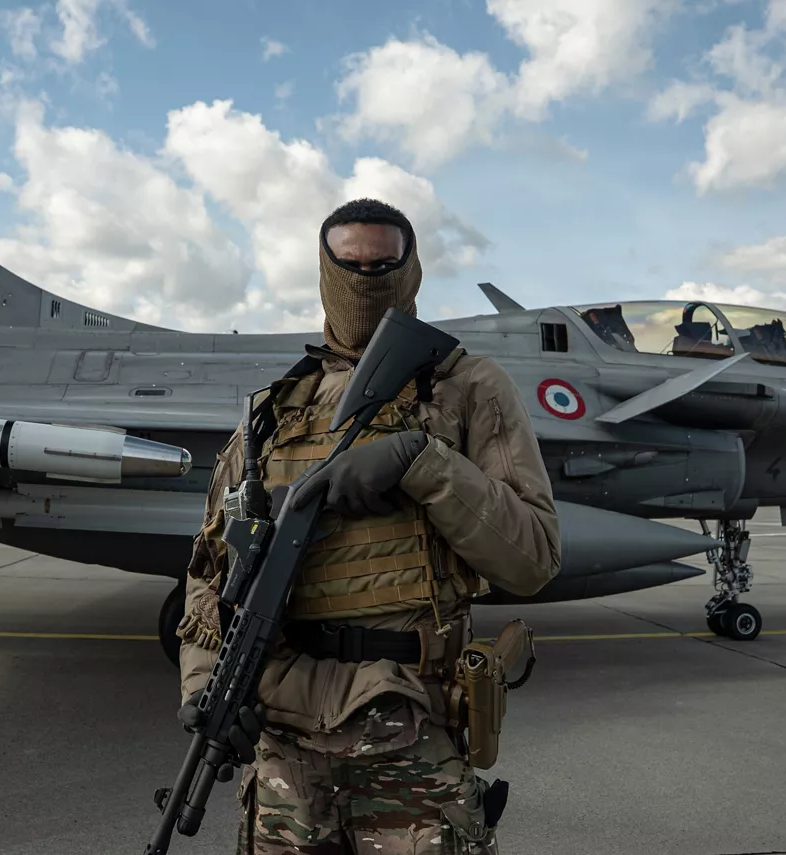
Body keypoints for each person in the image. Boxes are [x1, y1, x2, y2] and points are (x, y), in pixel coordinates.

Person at [175, 198, 561, 854]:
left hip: (411, 740)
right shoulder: (272, 412)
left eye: (383, 264)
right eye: (348, 263)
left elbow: (533, 557)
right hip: (284, 746)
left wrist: (424, 462)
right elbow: (213, 571)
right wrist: (202, 686)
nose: (365, 278)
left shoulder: (466, 388)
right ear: (324, 269)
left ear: (410, 272)